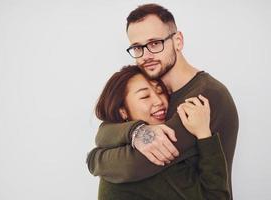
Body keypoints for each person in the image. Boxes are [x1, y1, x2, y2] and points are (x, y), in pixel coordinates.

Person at [87, 3, 238, 199]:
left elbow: (133, 166)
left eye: (155, 43)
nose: (146, 55)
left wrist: (94, 159)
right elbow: (106, 129)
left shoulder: (205, 95)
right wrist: (136, 131)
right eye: (137, 47)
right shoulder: (161, 95)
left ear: (178, 41)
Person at [87, 65, 229, 199]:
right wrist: (205, 135)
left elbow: (95, 154)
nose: (158, 101)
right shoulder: (156, 155)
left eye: (160, 91)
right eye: (144, 96)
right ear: (123, 111)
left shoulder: (114, 153)